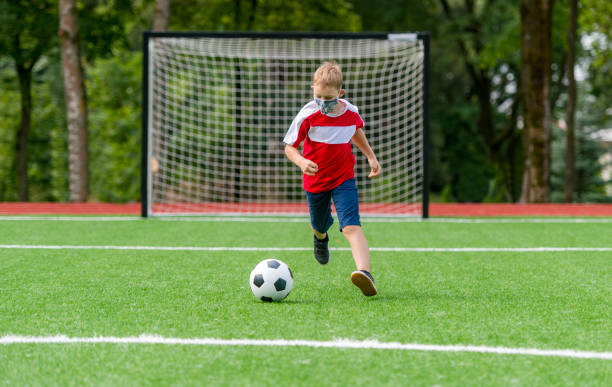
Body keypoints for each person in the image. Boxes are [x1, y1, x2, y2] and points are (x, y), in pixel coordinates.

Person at [283, 61, 382, 297]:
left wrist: (370, 156)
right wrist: (301, 161)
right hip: (316, 180)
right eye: (318, 96)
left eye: (328, 99)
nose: (322, 103)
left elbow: (355, 131)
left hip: (343, 178)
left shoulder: (351, 112)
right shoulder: (308, 114)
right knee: (319, 224)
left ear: (341, 94)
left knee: (351, 226)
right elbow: (289, 147)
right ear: (312, 89)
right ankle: (320, 237)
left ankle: (364, 273)